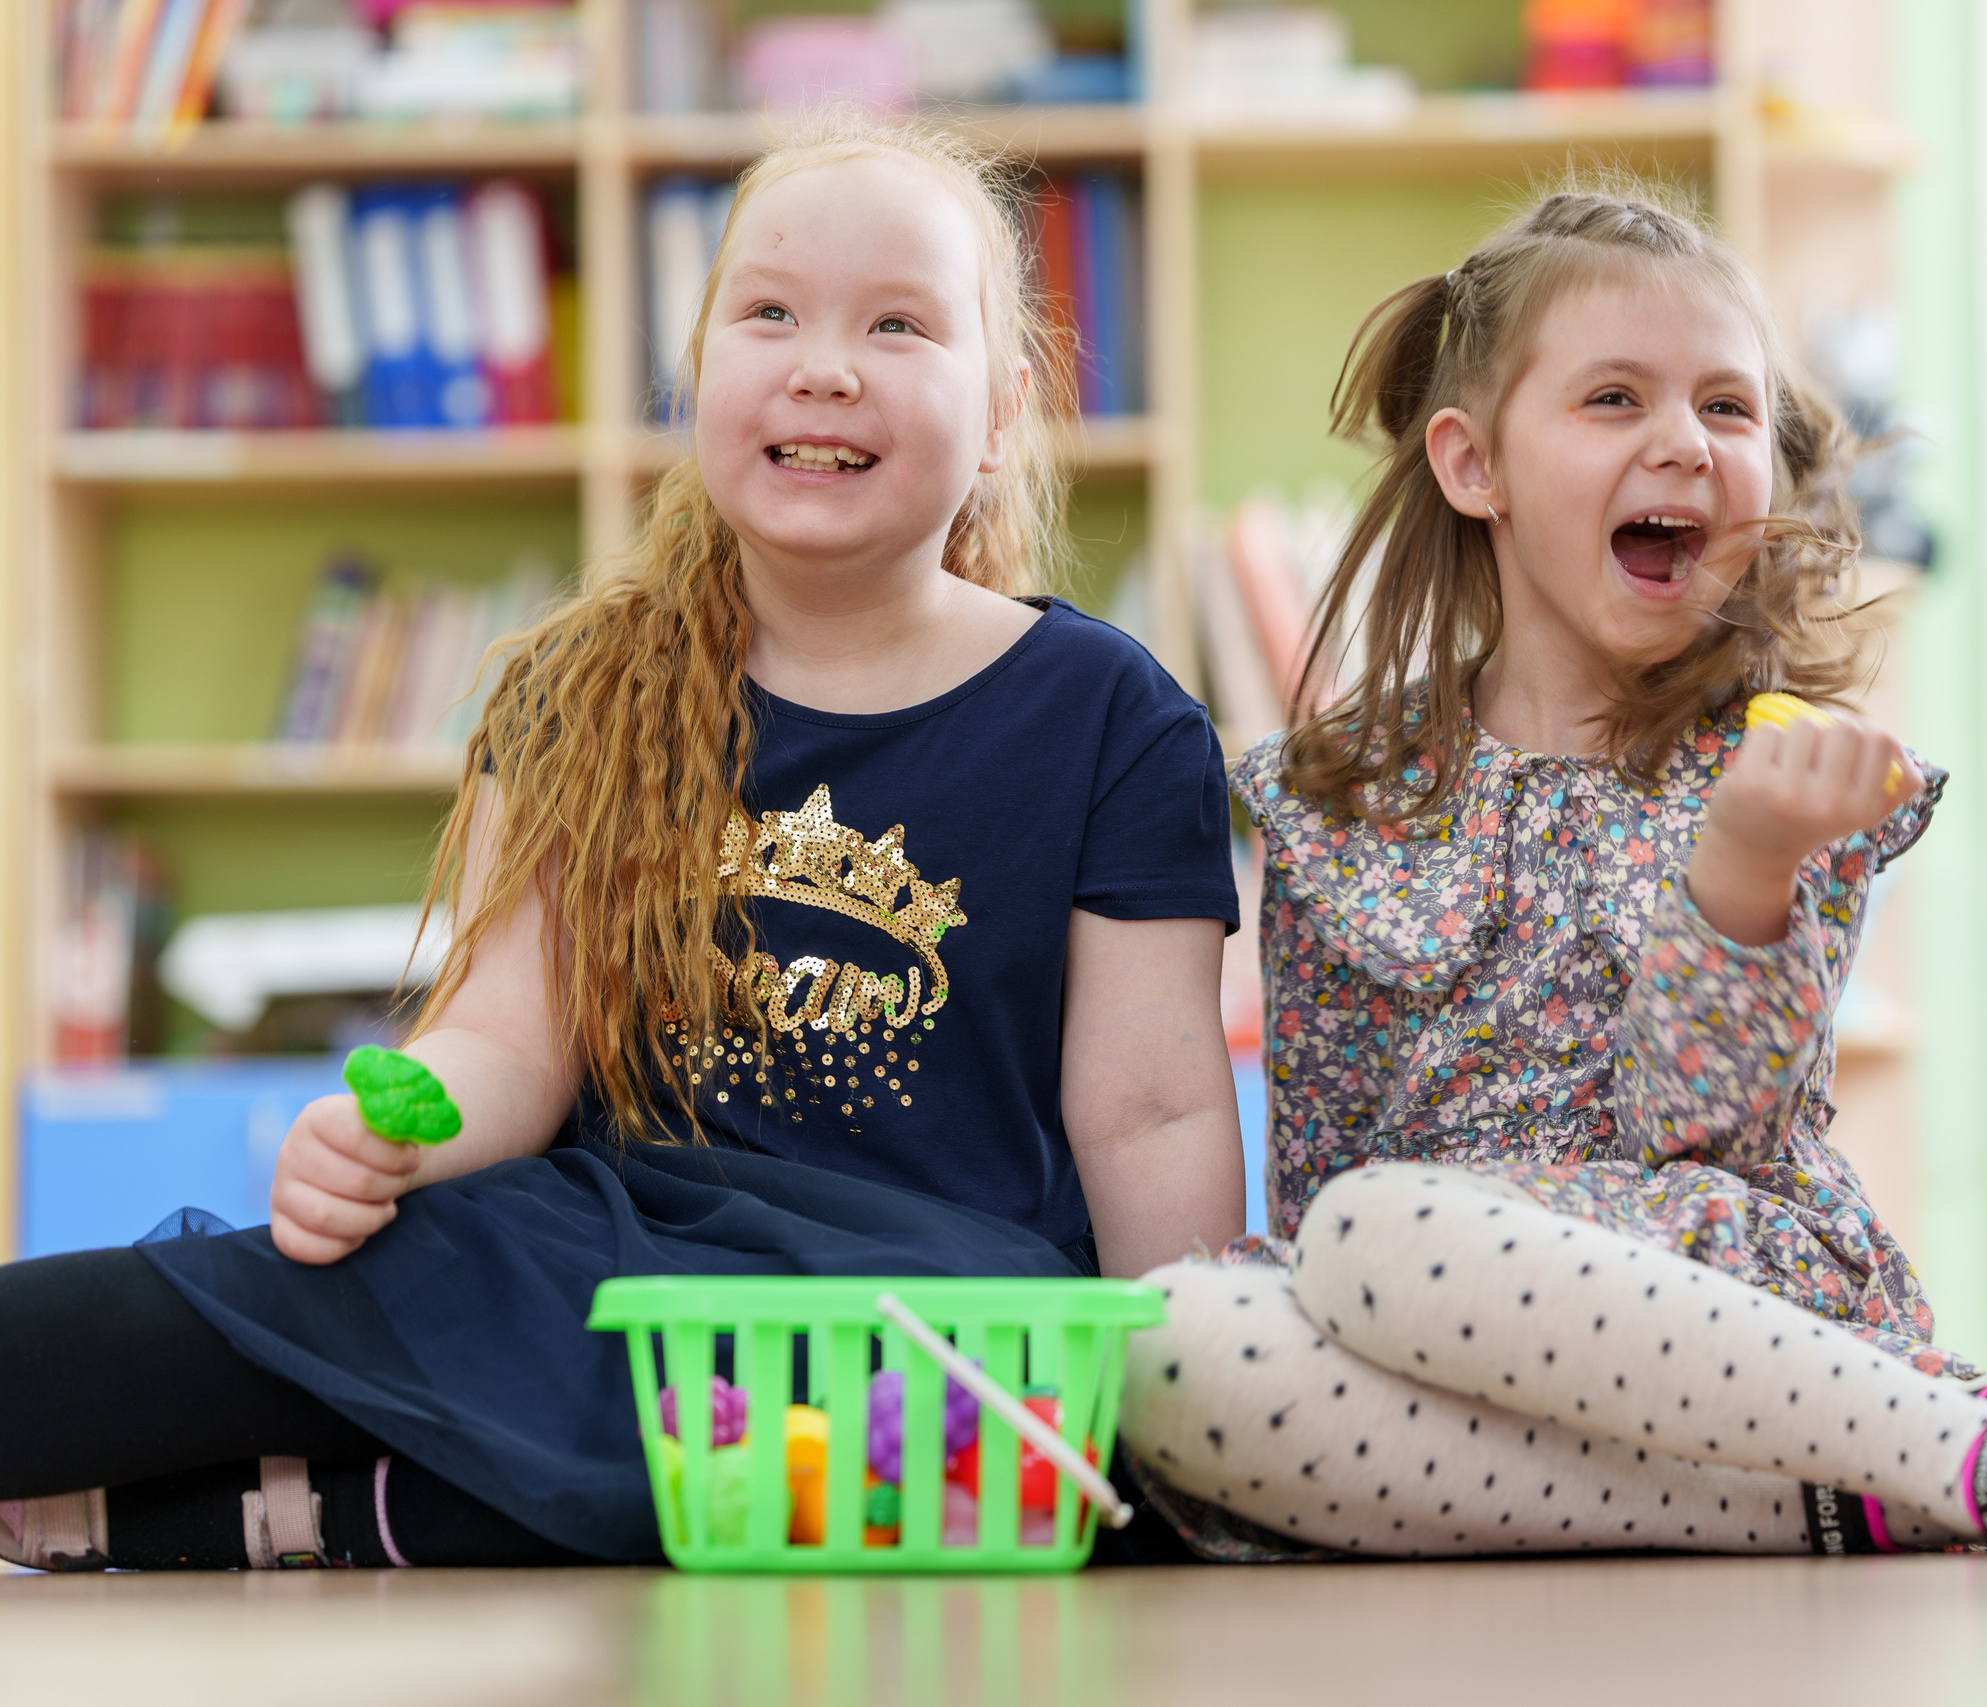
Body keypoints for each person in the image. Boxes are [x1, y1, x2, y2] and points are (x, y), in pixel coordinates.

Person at [0, 117, 1244, 1572]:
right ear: (697, 370)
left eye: (899, 324)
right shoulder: (584, 685)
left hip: (918, 1329)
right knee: (86, 1332)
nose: (823, 363)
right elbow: (511, 1050)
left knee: (802, 1476)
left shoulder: (1116, 719)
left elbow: (1150, 1117)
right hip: (590, 1272)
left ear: (1000, 416)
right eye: (767, 312)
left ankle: (307, 1511)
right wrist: (392, 1137)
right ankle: (309, 1502)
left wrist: (1190, 1419)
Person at [1121, 180, 1987, 1560]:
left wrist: (1748, 862)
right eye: (1615, 400)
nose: (1685, 443)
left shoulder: (1782, 774)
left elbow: (1711, 1135)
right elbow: (1321, 1168)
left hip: (1729, 1295)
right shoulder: (1342, 793)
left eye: (1728, 409)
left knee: (1373, 1233)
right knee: (1177, 1340)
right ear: (1472, 464)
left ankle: (1971, 1449)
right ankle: (1888, 1493)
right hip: (1442, 1333)